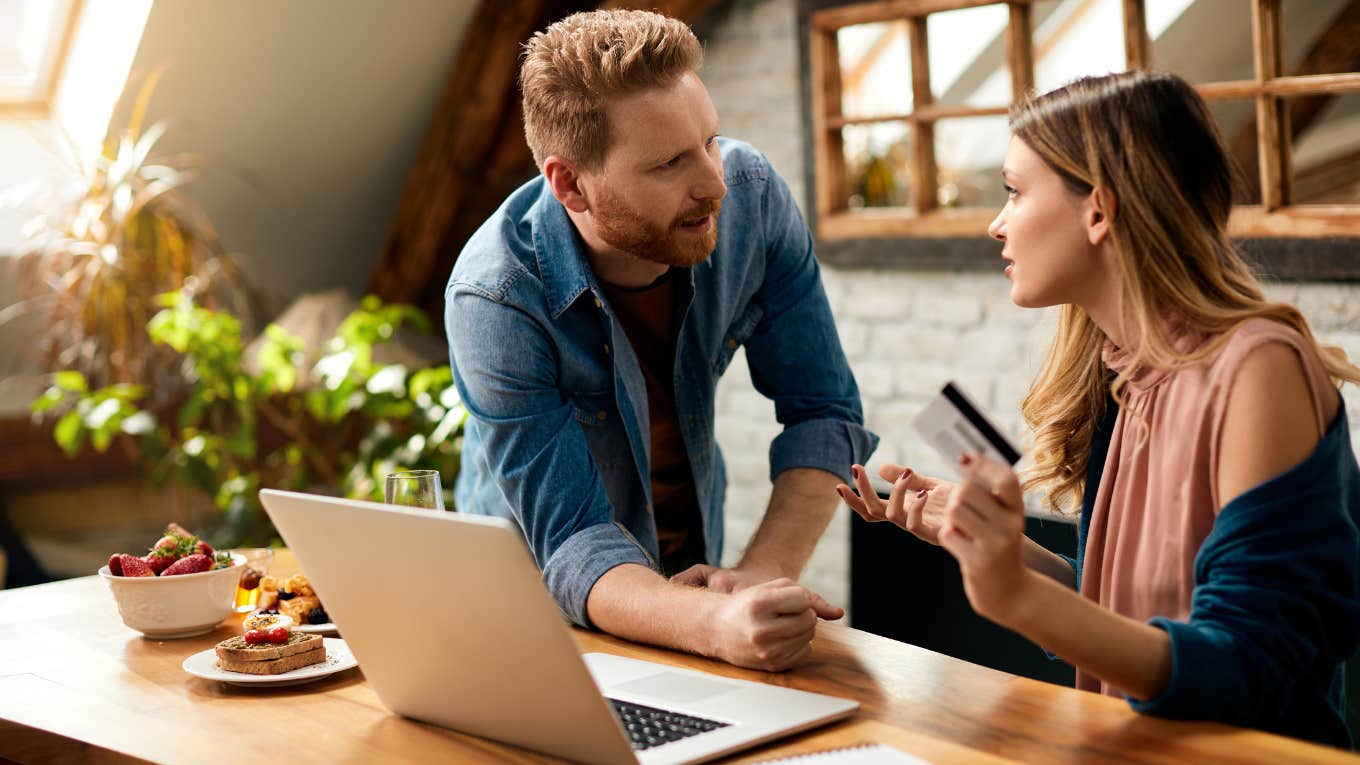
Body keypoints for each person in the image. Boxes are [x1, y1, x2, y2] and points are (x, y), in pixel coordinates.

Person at [839, 71, 1360, 747]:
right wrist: (995, 551)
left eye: (1014, 192)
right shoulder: (1123, 372)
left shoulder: (1258, 370)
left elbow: (1244, 664)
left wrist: (1018, 598)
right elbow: (1125, 606)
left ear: (1098, 211)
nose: (997, 223)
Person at [444, 9, 877, 672]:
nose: (714, 181)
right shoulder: (496, 297)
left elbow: (824, 412)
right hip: (534, 630)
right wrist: (713, 624)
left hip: (688, 596)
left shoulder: (752, 200)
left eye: (710, 140)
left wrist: (757, 577)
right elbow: (571, 539)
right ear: (571, 185)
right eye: (672, 162)